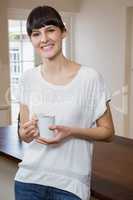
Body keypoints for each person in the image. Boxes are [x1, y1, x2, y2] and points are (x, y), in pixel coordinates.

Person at [14, 5, 115, 200]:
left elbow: (108, 132)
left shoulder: (90, 78)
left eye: (50, 30)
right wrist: (25, 132)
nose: (44, 39)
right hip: (29, 181)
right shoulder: (28, 79)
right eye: (36, 34)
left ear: (63, 32)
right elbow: (25, 135)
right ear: (31, 39)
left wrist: (72, 131)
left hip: (70, 185)